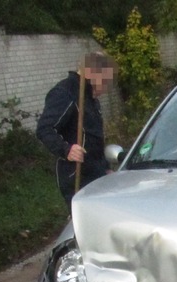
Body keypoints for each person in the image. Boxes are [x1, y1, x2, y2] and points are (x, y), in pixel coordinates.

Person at [36, 51, 117, 210]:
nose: (106, 87)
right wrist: (67, 150)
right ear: (93, 74)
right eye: (105, 80)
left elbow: (94, 138)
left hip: (96, 173)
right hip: (77, 176)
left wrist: (105, 167)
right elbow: (44, 129)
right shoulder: (65, 93)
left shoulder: (90, 98)